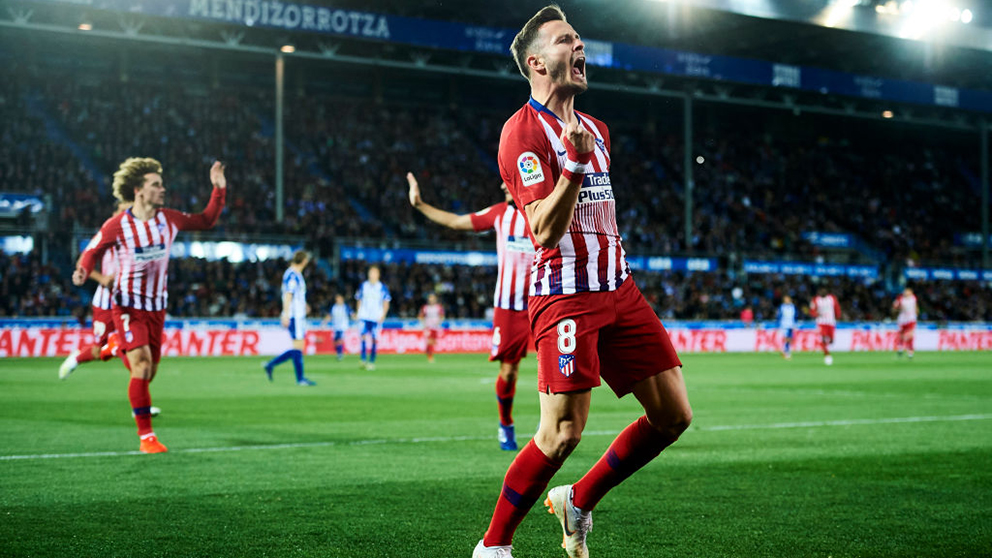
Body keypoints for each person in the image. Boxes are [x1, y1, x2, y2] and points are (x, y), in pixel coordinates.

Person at [472, 7, 692, 558]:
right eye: (567, 39)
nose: (580, 45)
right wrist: (571, 163)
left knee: (673, 416)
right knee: (562, 432)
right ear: (538, 62)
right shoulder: (519, 134)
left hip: (619, 286)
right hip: (566, 292)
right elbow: (544, 230)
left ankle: (579, 500)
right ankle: (493, 546)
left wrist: (580, 154)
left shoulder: (598, 129)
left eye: (578, 37)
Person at [73, 157, 226, 454]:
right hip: (127, 306)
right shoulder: (118, 225)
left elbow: (206, 220)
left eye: (162, 184)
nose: (163, 189)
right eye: (156, 185)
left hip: (157, 308)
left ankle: (115, 347)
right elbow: (91, 252)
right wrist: (83, 271)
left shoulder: (169, 219)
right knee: (141, 364)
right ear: (139, 190)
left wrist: (218, 190)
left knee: (148, 371)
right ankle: (147, 438)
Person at [408, 174, 535, 451]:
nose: (502, 185)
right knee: (510, 371)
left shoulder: (544, 212)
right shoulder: (500, 214)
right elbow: (456, 222)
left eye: (508, 180)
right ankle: (506, 424)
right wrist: (420, 205)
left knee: (555, 371)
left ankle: (553, 430)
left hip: (544, 303)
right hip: (510, 307)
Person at [59, 201, 132, 380]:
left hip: (129, 299)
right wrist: (102, 279)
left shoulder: (136, 236)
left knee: (132, 346)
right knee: (101, 349)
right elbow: (82, 263)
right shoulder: (105, 235)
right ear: (114, 212)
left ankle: (142, 399)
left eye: (129, 212)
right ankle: (77, 358)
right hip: (105, 301)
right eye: (122, 211)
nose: (126, 215)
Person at [263, 250, 316, 386]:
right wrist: (286, 314)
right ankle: (299, 378)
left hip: (297, 314)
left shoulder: (294, 274)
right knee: (298, 347)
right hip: (295, 316)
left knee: (298, 347)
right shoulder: (293, 275)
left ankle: (272, 365)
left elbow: (296, 295)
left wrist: (305, 305)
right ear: (304, 261)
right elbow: (288, 295)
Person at [355, 265, 390, 371]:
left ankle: (372, 361)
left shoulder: (382, 287)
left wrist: (383, 314)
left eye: (374, 273)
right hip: (364, 316)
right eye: (371, 272)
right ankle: (363, 359)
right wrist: (358, 312)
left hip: (376, 317)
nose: (372, 275)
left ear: (378, 275)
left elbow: (386, 301)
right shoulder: (363, 286)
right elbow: (359, 299)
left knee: (375, 339)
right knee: (363, 337)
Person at [810, 287, 841, 366]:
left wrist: (838, 316)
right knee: (823, 338)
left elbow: (837, 307)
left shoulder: (832, 298)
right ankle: (827, 354)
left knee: (831, 340)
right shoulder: (815, 299)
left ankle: (827, 346)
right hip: (821, 322)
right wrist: (816, 314)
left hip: (830, 322)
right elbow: (812, 310)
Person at [418, 293, 445, 363]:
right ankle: (430, 357)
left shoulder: (439, 307)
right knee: (429, 341)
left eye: (432, 299)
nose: (431, 300)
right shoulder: (425, 307)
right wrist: (424, 324)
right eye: (430, 299)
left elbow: (442, 316)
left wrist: (439, 322)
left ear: (435, 299)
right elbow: (420, 316)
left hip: (436, 327)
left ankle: (428, 353)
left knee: (433, 342)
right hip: (428, 327)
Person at [324, 293, 351, 361]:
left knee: (340, 340)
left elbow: (352, 313)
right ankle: (339, 352)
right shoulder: (334, 307)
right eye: (337, 299)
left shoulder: (345, 307)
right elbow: (329, 315)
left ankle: (340, 354)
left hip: (343, 327)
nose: (338, 300)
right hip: (335, 326)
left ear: (342, 299)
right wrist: (325, 321)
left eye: (339, 299)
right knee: (335, 341)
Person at [893, 286, 917, 359]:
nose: (906, 293)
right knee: (901, 334)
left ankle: (910, 351)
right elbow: (895, 306)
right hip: (902, 319)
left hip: (911, 318)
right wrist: (897, 306)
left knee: (910, 335)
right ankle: (900, 348)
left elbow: (915, 307)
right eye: (906, 291)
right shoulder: (901, 298)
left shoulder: (913, 298)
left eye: (908, 291)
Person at [777, 295, 796, 359]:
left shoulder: (792, 306)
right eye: (785, 299)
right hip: (784, 324)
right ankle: (786, 351)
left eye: (787, 299)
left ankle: (786, 350)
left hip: (791, 324)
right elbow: (779, 315)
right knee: (787, 338)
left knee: (790, 338)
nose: (786, 300)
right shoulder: (782, 307)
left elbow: (795, 315)